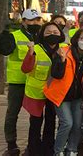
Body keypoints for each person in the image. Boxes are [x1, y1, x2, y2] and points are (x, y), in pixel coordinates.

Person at [44, 28, 83, 156]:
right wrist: (61, 61)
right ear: (76, 39)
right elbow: (56, 74)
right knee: (67, 123)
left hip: (78, 96)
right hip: (60, 95)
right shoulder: (64, 51)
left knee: (77, 124)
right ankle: (58, 151)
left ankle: (72, 149)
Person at [0, 8, 43, 155]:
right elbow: (4, 50)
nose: (35, 23)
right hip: (18, 82)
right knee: (12, 114)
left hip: (35, 83)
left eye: (37, 20)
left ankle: (33, 144)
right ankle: (11, 145)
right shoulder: (14, 36)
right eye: (31, 20)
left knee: (36, 116)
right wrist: (4, 37)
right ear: (23, 21)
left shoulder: (42, 36)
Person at [21, 22, 65, 156]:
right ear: (42, 34)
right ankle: (33, 149)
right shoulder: (36, 49)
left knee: (51, 121)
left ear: (61, 34)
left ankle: (48, 148)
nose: (52, 35)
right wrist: (30, 54)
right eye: (48, 32)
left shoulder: (63, 49)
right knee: (35, 122)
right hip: (36, 92)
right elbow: (25, 69)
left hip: (54, 93)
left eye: (55, 32)